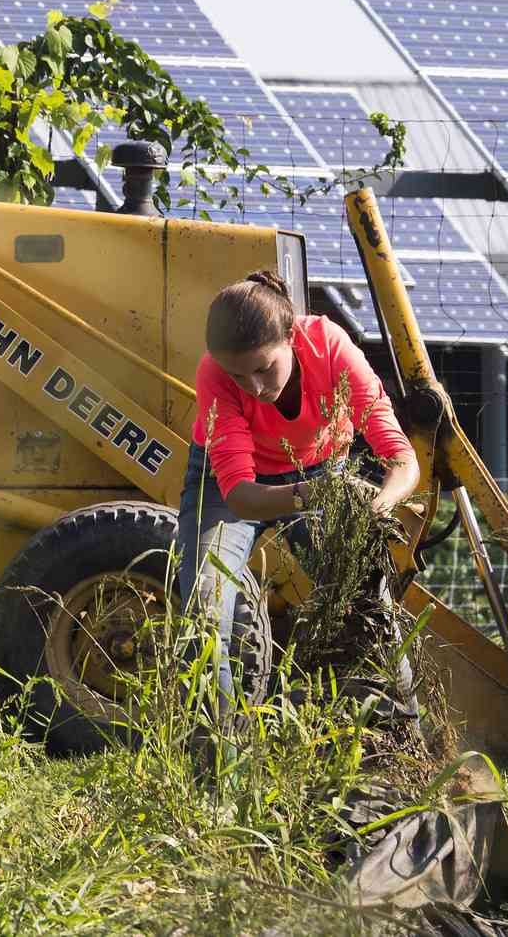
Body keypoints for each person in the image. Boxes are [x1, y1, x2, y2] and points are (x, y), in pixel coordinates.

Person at [175, 270, 419, 700]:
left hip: (321, 470)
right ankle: (218, 759)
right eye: (238, 377)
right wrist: (315, 495)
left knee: (369, 609)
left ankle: (406, 743)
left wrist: (378, 506)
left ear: (291, 335)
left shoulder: (331, 347)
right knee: (205, 610)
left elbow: (402, 460)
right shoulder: (212, 373)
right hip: (231, 488)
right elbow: (240, 497)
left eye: (263, 368)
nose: (253, 387)